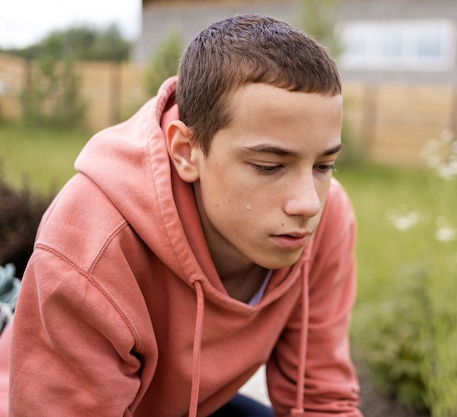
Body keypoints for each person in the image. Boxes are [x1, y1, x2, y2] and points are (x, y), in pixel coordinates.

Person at [0, 14, 362, 417]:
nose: (308, 203)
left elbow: (322, 401)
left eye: (323, 166)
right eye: (269, 166)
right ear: (186, 152)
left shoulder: (327, 218)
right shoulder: (92, 243)